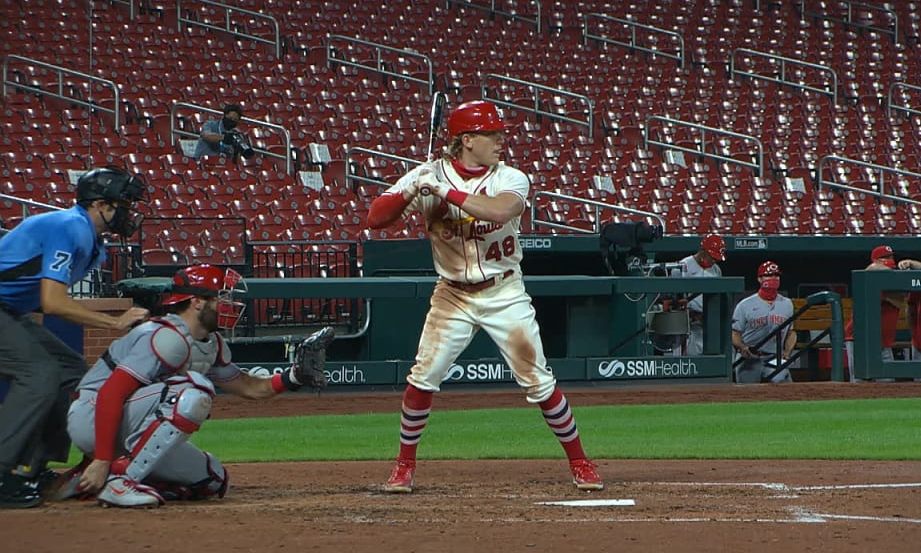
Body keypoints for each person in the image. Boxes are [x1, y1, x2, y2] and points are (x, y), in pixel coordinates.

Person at [365, 100, 603, 493]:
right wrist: (411, 190)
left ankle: (580, 462)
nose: (501, 140)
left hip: (504, 290)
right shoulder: (427, 174)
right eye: (492, 134)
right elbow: (376, 217)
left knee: (539, 381)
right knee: (422, 378)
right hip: (452, 295)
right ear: (467, 140)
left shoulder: (511, 177)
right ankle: (403, 466)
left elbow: (500, 211)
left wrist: (446, 193)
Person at [63, 264, 323, 508]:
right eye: (221, 297)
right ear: (197, 302)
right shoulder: (165, 336)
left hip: (125, 424)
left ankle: (90, 480)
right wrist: (102, 458)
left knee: (212, 479)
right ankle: (120, 481)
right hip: (92, 414)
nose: (229, 304)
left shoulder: (211, 342)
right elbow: (111, 393)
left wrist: (294, 377)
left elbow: (248, 386)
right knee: (194, 391)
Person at [0, 167, 151, 508]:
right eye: (124, 204)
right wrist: (112, 324)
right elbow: (53, 302)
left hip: (9, 310)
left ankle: (32, 467)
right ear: (100, 204)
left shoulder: (94, 244)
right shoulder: (70, 227)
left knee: (69, 369)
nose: (129, 213)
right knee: (39, 373)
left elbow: (38, 298)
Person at [843, 245, 903, 382]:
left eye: (891, 256)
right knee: (861, 382)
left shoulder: (894, 278)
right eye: (885, 257)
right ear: (876, 260)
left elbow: (900, 299)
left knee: (887, 383)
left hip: (883, 341)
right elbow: (871, 268)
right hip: (860, 339)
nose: (890, 259)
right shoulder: (868, 277)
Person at [731, 261, 795, 384]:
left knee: (784, 387)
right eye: (769, 275)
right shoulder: (745, 304)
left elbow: (791, 332)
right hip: (749, 358)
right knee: (747, 395)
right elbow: (735, 333)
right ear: (759, 279)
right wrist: (742, 347)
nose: (773, 279)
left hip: (774, 357)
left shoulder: (787, 304)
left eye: (776, 275)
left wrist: (787, 352)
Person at [666, 233, 726, 356]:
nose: (714, 260)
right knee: (684, 362)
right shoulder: (683, 266)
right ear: (702, 250)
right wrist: (692, 313)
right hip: (686, 325)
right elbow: (673, 300)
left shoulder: (716, 270)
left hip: (707, 324)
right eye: (712, 256)